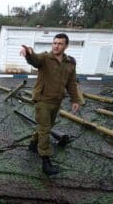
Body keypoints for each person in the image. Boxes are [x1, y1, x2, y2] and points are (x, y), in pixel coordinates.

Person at [20, 33, 80, 176]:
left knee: (45, 127)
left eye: (59, 43)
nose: (56, 46)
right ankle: (46, 162)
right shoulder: (45, 58)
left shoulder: (70, 63)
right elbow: (35, 60)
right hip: (43, 100)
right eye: (54, 43)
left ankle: (33, 144)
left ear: (66, 46)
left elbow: (71, 83)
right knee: (45, 129)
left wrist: (75, 100)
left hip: (57, 101)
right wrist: (29, 53)